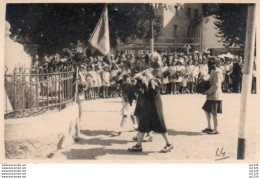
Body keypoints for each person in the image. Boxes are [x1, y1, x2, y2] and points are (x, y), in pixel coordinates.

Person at [128, 52, 173, 153]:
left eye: (151, 59)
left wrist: (142, 78)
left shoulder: (158, 71)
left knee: (159, 122)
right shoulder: (150, 70)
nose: (149, 61)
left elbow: (154, 85)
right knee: (144, 121)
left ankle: (169, 143)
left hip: (154, 99)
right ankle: (138, 145)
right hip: (148, 98)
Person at [202, 57, 223, 134]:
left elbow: (216, 85)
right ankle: (209, 127)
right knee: (206, 110)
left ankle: (216, 129)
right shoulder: (213, 71)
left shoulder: (217, 72)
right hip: (212, 95)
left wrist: (207, 92)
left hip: (215, 95)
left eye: (211, 63)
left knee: (214, 113)